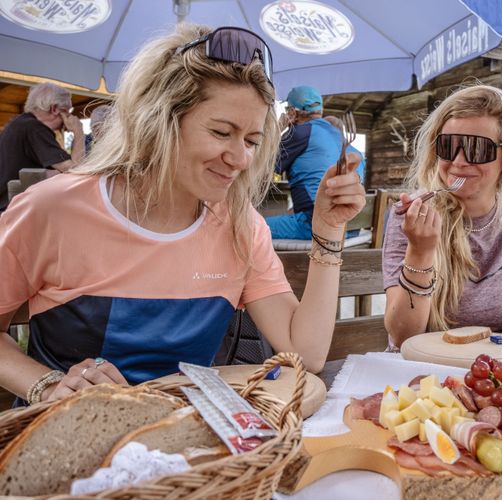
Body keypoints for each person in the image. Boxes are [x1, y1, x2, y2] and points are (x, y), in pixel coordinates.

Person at [0, 24, 365, 405]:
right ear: (159, 121)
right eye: (222, 132)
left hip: (189, 444)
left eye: (252, 141)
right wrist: (46, 384)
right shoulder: (52, 209)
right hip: (67, 440)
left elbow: (306, 353)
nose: (241, 159)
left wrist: (328, 229)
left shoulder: (241, 225)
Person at [382, 85, 502, 348]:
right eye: (448, 146)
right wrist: (420, 251)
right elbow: (404, 335)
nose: (459, 161)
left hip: (499, 366)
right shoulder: (412, 217)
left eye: (477, 148)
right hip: (426, 370)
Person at [267, 85, 365, 239]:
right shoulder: (344, 140)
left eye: (287, 110)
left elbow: (263, 169)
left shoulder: (299, 132)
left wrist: (277, 130)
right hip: (352, 228)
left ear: (292, 112)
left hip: (317, 225)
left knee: (249, 228)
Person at [0, 82, 84, 211]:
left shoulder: (21, 123)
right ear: (55, 109)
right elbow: (75, 169)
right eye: (68, 110)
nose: (70, 116)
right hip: (12, 209)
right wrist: (79, 132)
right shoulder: (35, 129)